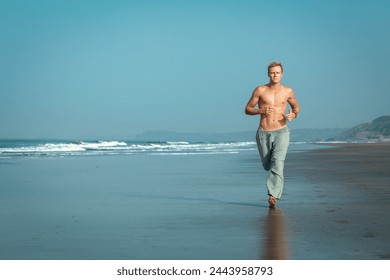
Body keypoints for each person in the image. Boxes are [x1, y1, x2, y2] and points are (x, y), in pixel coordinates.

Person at [245, 61, 300, 208]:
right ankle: (273, 185)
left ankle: (273, 195)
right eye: (272, 72)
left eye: (277, 72)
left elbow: (296, 107)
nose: (275, 75)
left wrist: (293, 115)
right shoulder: (260, 90)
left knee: (278, 161)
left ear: (282, 74)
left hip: (282, 131)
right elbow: (248, 109)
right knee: (267, 164)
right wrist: (260, 111)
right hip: (264, 133)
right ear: (268, 74)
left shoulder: (288, 91)